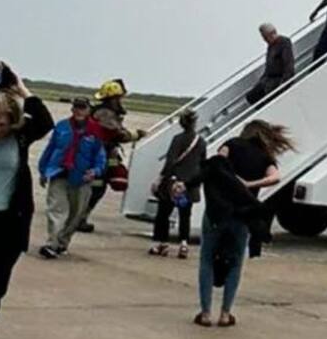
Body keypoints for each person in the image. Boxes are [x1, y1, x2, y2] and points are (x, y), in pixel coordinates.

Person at [181, 120, 293, 327]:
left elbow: (216, 165)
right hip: (243, 214)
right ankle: (225, 314)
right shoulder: (265, 157)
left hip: (218, 212)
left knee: (206, 259)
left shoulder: (231, 145)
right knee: (236, 262)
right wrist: (250, 184)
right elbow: (275, 177)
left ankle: (205, 313)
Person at [0, 68, 54, 320]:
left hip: (7, 224)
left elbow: (44, 121)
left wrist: (21, 89)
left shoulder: (18, 138)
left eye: (3, 124)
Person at [37, 96, 105, 258]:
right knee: (56, 210)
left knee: (75, 214)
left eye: (82, 108)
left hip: (81, 178)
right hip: (59, 173)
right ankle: (51, 243)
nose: (78, 111)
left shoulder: (95, 131)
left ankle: (62, 242)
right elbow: (50, 149)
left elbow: (100, 155)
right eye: (76, 107)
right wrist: (43, 170)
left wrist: (96, 171)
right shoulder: (61, 127)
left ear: (89, 110)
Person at [81, 79, 146, 231]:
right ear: (113, 98)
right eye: (120, 98)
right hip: (98, 156)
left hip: (104, 155)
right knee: (96, 187)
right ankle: (79, 218)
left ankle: (80, 216)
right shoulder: (105, 114)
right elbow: (116, 134)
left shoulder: (106, 113)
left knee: (110, 181)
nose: (121, 101)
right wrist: (136, 135)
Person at [148, 110, 205, 259]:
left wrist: (160, 178)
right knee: (185, 215)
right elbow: (202, 163)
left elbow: (170, 162)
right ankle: (184, 245)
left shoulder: (177, 139)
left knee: (163, 214)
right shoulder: (201, 141)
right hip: (189, 185)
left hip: (173, 185)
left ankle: (163, 243)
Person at [245, 24, 295, 105]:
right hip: (268, 80)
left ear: (272, 33)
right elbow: (268, 68)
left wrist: (284, 84)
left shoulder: (283, 42)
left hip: (278, 79)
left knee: (265, 92)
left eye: (265, 37)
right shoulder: (271, 47)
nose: (265, 40)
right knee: (251, 96)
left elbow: (289, 65)